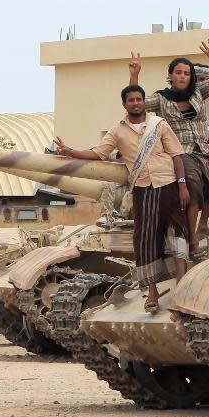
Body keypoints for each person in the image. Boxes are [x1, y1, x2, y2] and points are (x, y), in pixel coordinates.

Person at [56, 85, 189, 312]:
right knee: (146, 240)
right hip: (143, 189)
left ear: (143, 102)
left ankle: (183, 288)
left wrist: (182, 185)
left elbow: (176, 155)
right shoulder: (117, 131)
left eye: (139, 99)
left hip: (168, 184)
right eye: (131, 100)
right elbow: (98, 153)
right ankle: (153, 293)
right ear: (124, 104)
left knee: (176, 233)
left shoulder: (159, 125)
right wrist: (71, 152)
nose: (136, 103)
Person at [128, 48, 209, 258]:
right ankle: (192, 242)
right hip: (181, 152)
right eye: (179, 72)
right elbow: (136, 103)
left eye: (187, 73)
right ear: (171, 75)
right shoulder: (161, 99)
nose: (183, 76)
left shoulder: (197, 92)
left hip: (205, 149)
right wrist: (135, 74)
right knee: (192, 186)